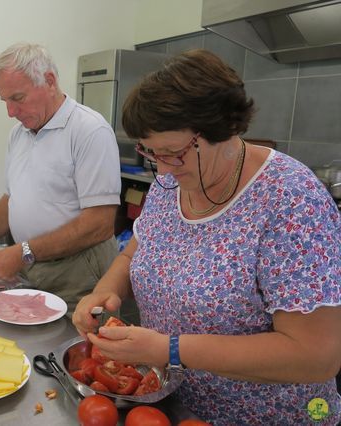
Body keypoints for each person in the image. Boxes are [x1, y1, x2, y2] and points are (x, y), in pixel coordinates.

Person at [73, 49, 341, 425]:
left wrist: (169, 349)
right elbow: (133, 254)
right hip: (176, 407)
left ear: (225, 130)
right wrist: (106, 288)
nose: (162, 168)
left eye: (174, 152)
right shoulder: (170, 184)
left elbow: (316, 355)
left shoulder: (291, 201)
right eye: (151, 152)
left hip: (267, 416)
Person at [0, 43, 121, 312]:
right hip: (31, 269)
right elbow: (13, 195)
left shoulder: (89, 131)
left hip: (78, 278)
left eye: (18, 98)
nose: (11, 112)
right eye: (6, 101)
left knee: (71, 348)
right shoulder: (19, 134)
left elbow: (100, 223)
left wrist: (24, 251)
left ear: (49, 81)